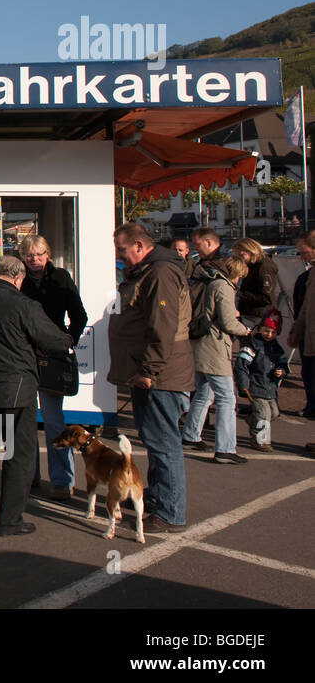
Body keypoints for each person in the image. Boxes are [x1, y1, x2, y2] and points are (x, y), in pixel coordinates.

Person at [0, 254, 73, 536]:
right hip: (18, 392)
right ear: (18, 278)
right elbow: (56, 341)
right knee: (19, 457)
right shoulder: (25, 305)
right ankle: (9, 520)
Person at [110, 222, 194, 534]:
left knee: (164, 444)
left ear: (140, 247)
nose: (120, 255)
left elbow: (163, 326)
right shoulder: (148, 271)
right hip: (150, 372)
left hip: (160, 374)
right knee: (157, 442)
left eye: (122, 249)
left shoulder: (159, 273)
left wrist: (149, 370)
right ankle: (160, 505)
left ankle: (170, 513)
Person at [17, 234, 88, 500]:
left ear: (48, 254)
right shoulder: (18, 280)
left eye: (39, 254)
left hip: (53, 357)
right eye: (29, 255)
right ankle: (27, 476)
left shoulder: (61, 278)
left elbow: (79, 315)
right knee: (23, 420)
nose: (34, 260)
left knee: (54, 420)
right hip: (24, 356)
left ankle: (62, 480)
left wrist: (69, 338)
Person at [182, 255, 250, 464]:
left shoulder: (210, 281)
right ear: (236, 274)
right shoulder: (224, 286)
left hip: (201, 344)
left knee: (203, 392)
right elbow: (228, 321)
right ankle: (225, 448)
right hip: (216, 346)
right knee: (226, 398)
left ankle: (191, 434)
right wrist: (244, 330)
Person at [237, 310, 286, 452]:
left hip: (270, 387)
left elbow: (283, 365)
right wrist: (243, 385)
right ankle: (260, 440)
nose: (269, 335)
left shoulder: (277, 348)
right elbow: (241, 365)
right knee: (264, 414)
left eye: (273, 332)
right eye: (266, 330)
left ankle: (252, 419)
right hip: (256, 385)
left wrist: (281, 372)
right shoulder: (253, 344)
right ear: (260, 328)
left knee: (274, 413)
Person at [290, 231, 315, 419]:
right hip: (309, 335)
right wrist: (297, 329)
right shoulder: (310, 274)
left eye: (305, 252)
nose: (302, 256)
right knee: (309, 374)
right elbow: (306, 307)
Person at [232, 237, 278, 326]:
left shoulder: (263, 267)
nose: (240, 259)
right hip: (251, 313)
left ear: (252, 251)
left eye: (242, 255)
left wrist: (241, 295)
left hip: (259, 315)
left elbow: (266, 297)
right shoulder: (251, 265)